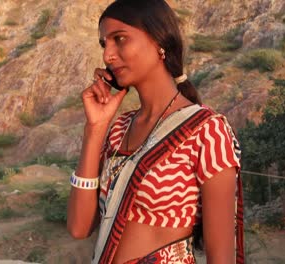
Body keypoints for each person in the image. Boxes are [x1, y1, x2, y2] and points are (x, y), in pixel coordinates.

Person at [67, 0, 244, 263]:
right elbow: (79, 228)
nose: (107, 56)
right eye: (105, 44)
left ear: (158, 40)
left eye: (120, 39)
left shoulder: (207, 130)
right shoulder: (119, 129)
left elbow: (222, 258)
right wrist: (95, 128)